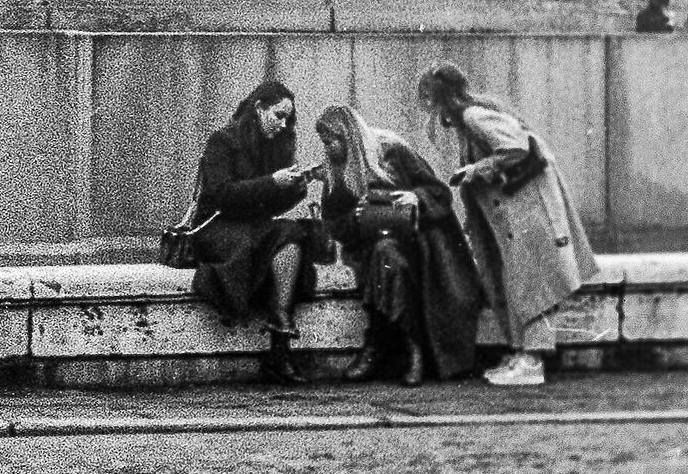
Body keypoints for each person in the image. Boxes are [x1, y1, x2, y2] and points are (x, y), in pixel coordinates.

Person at [416, 63, 600, 387]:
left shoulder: (474, 116)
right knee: (521, 281)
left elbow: (516, 147)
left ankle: (532, 360)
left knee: (532, 284)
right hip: (517, 214)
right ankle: (522, 354)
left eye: (430, 99)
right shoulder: (473, 116)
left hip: (525, 213)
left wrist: (475, 170)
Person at [315, 105, 483, 385]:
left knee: (391, 258)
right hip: (368, 245)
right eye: (325, 142)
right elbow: (333, 222)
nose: (328, 148)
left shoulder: (392, 149)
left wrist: (416, 197)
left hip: (418, 239)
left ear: (349, 138)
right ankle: (410, 346)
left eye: (332, 140)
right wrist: (354, 219)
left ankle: (379, 345)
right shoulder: (336, 172)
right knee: (386, 258)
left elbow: (439, 193)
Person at [187, 80, 327, 384]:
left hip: (255, 226)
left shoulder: (277, 146)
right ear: (258, 108)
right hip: (217, 227)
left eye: (288, 118)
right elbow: (221, 194)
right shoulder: (222, 141)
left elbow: (272, 205)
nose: (283, 124)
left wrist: (299, 185)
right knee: (257, 243)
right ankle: (280, 339)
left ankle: (280, 330)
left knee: (291, 234)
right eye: (278, 115)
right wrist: (272, 182)